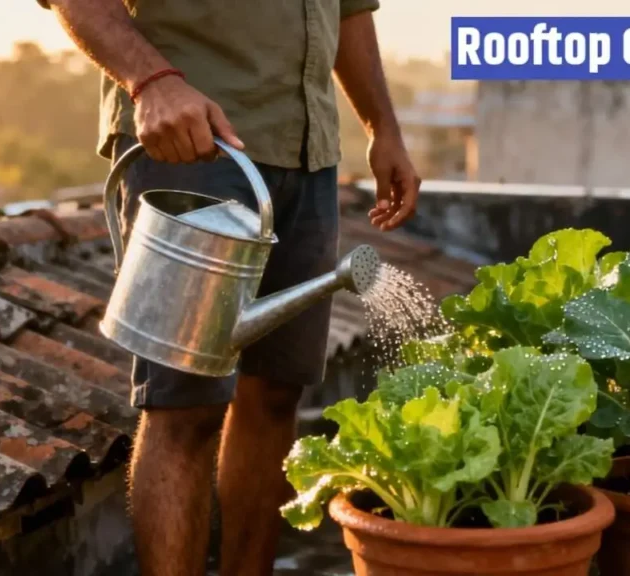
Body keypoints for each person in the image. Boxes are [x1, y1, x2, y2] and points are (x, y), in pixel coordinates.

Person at [38, 1, 421, 574]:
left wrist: (382, 127)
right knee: (185, 407)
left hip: (308, 152)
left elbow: (348, 10)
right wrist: (152, 82)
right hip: (192, 143)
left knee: (275, 395)